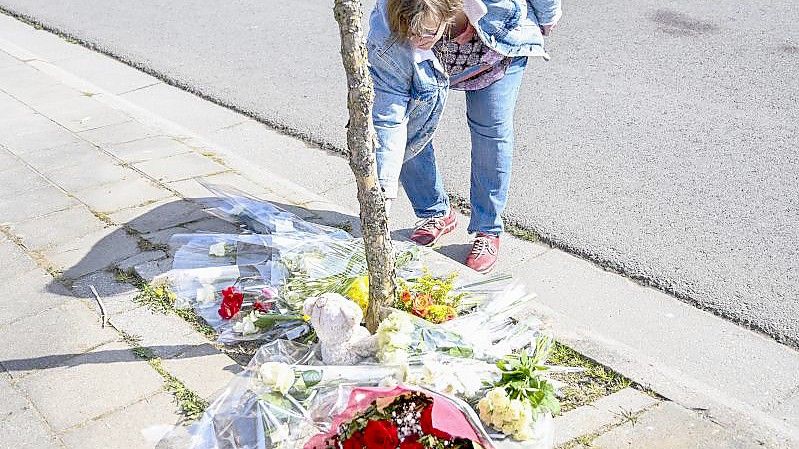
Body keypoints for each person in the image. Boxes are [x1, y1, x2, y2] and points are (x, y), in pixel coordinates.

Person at [367, 0, 561, 273]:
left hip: (497, 46)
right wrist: (382, 197)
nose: (418, 40)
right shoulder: (385, 36)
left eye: (426, 33)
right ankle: (434, 212)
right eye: (411, 34)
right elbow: (389, 120)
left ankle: (488, 230)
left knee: (490, 128)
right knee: (408, 128)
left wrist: (548, 15)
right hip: (437, 64)